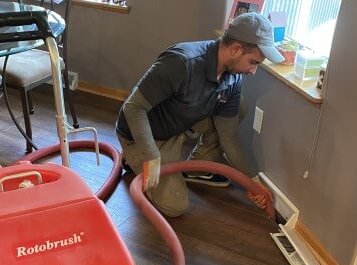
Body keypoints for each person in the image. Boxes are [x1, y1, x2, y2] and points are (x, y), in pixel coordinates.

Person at [115, 12, 284, 217]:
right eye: (254, 62)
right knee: (175, 207)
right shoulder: (181, 62)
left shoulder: (233, 79)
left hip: (181, 123)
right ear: (236, 49)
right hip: (147, 134)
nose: (253, 71)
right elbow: (133, 108)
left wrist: (252, 181)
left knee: (238, 106)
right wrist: (151, 155)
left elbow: (228, 137)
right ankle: (132, 159)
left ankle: (196, 169)